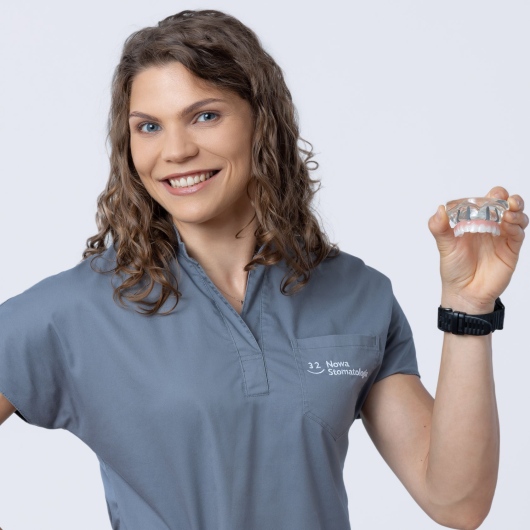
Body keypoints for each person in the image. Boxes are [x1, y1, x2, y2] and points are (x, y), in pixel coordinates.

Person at [0, 9, 527, 530]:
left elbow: (456, 501)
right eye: (149, 127)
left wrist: (469, 308)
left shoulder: (354, 293)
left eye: (205, 116)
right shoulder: (76, 310)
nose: (176, 151)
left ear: (262, 123)